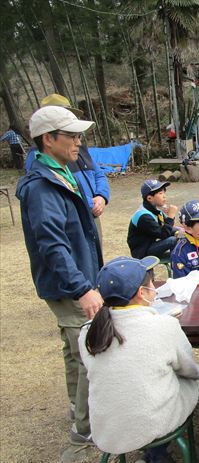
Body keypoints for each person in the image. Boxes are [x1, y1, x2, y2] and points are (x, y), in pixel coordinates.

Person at [16, 106, 103, 445]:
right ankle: (86, 428)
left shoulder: (62, 172)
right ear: (48, 139)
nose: (79, 142)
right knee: (87, 352)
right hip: (69, 284)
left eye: (80, 135)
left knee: (72, 350)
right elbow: (52, 245)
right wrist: (83, 287)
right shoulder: (42, 186)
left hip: (74, 279)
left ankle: (74, 408)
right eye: (72, 135)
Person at [79, 256, 199, 463]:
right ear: (142, 292)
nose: (155, 288)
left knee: (142, 386)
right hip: (150, 419)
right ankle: (159, 457)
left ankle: (154, 457)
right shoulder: (164, 325)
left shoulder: (88, 331)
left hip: (109, 426)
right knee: (182, 383)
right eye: (152, 284)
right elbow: (190, 370)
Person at [25, 94, 111, 242]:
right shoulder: (39, 159)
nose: (77, 141)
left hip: (90, 214)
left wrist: (102, 197)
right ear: (48, 137)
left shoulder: (79, 149)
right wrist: (90, 204)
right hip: (73, 218)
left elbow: (98, 174)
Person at [127, 179, 179, 260]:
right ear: (149, 198)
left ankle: (176, 259)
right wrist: (170, 217)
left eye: (164, 192)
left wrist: (178, 232)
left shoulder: (155, 210)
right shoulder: (144, 216)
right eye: (160, 193)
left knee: (180, 232)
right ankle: (177, 262)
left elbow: (166, 227)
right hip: (142, 251)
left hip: (151, 244)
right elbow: (164, 234)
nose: (164, 196)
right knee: (173, 240)